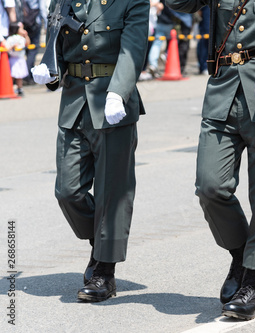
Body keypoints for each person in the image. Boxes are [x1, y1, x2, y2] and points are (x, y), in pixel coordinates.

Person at [165, 0, 255, 321]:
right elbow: (181, 5)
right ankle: (242, 254)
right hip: (223, 88)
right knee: (209, 186)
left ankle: (254, 285)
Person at [31, 0, 149, 302]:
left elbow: (133, 49)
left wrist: (119, 92)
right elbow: (57, 39)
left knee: (113, 190)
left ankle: (104, 272)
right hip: (73, 101)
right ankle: (103, 242)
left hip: (113, 105)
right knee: (68, 191)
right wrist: (50, 70)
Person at [146, 1, 192, 77]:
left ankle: (153, 65)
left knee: (157, 44)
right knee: (173, 41)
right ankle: (166, 54)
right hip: (170, 23)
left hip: (160, 22)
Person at [21, 0, 47, 85]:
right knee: (33, 49)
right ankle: (29, 74)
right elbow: (42, 8)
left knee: (27, 49)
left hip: (25, 23)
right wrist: (46, 24)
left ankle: (26, 74)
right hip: (35, 22)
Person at [5, 21, 30, 96]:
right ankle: (10, 87)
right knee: (12, 74)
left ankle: (20, 88)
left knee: (19, 75)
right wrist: (13, 46)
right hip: (13, 59)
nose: (23, 30)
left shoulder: (22, 38)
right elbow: (7, 48)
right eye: (21, 29)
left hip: (20, 58)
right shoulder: (10, 38)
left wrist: (26, 35)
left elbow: (27, 44)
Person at [196, 5, 209, 75]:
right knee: (204, 47)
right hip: (205, 25)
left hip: (210, 24)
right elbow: (199, 11)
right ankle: (203, 67)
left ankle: (204, 66)